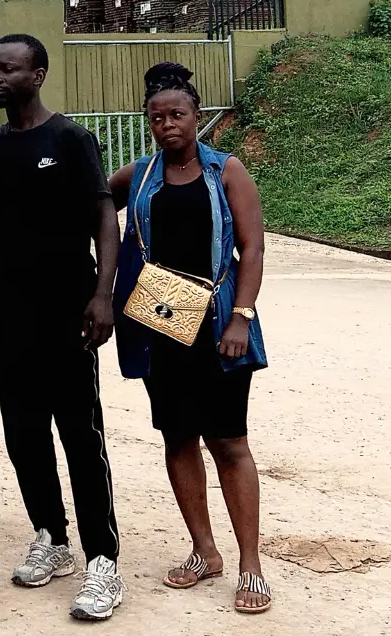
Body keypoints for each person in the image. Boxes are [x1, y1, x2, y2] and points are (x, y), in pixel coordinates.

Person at [0, 34, 124, 621]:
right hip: (9, 314)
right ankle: (51, 538)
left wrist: (102, 293)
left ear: (40, 73)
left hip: (70, 312)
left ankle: (102, 560)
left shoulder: (71, 139)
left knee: (81, 436)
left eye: (10, 68)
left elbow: (103, 213)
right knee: (24, 434)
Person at [108, 62, 271, 615]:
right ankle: (204, 551)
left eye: (178, 114)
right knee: (177, 437)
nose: (168, 124)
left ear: (197, 117)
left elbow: (252, 248)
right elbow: (99, 205)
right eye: (157, 117)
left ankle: (250, 563)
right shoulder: (140, 176)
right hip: (163, 321)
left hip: (219, 317)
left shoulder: (225, 171)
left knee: (228, 441)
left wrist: (241, 318)